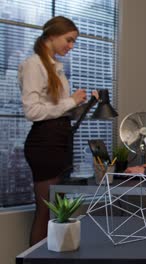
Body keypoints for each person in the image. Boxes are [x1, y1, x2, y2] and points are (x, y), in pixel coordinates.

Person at [18, 16, 98, 245]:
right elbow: (32, 111)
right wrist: (71, 101)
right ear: (52, 35)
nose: (71, 46)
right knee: (45, 212)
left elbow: (59, 110)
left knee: (58, 214)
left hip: (61, 140)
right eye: (69, 40)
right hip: (44, 143)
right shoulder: (34, 65)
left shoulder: (56, 68)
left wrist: (82, 104)